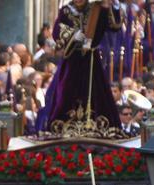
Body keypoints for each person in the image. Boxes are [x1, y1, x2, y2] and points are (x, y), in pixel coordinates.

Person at [46, 0, 122, 129]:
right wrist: (73, 35)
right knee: (65, 92)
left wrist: (114, 5)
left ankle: (97, 126)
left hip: (92, 58)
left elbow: (114, 26)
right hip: (72, 60)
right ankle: (63, 126)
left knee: (97, 95)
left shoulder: (98, 8)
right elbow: (57, 31)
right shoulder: (66, 10)